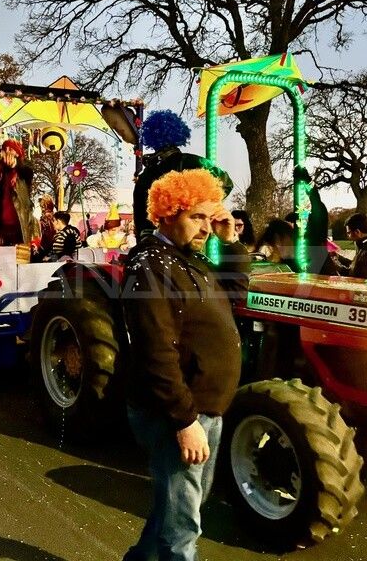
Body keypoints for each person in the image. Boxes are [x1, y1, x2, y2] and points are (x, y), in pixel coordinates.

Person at [121, 168, 249, 561]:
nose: (206, 228)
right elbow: (156, 351)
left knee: (177, 507)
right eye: (196, 217)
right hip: (177, 412)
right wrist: (184, 421)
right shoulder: (150, 266)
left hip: (203, 408)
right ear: (167, 213)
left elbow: (234, 295)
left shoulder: (188, 260)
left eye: (210, 218)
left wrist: (230, 241)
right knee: (183, 526)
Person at [0, 140, 35, 246]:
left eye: (10, 149)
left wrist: (14, 165)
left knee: (20, 253)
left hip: (19, 223)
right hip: (2, 225)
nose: (7, 152)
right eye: (5, 149)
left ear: (17, 153)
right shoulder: (0, 170)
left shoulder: (24, 169)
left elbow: (28, 172)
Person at [336, 213, 367, 279]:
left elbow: (357, 278)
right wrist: (338, 257)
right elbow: (356, 266)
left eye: (349, 233)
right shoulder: (366, 244)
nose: (348, 236)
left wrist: (335, 266)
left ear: (357, 232)